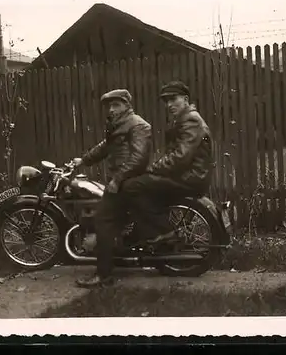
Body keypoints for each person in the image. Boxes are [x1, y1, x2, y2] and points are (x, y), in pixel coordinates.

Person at [73, 89, 152, 288]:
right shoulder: (119, 126)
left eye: (116, 104)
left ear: (127, 105)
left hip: (127, 181)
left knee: (102, 220)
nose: (112, 109)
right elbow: (105, 147)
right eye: (109, 106)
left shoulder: (137, 125)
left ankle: (104, 275)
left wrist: (117, 180)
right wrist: (83, 160)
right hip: (124, 180)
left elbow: (139, 158)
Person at [122, 81, 213, 244]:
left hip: (190, 178)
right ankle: (143, 234)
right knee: (143, 188)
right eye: (166, 101)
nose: (169, 104)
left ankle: (167, 231)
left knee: (131, 186)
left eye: (173, 99)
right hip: (189, 176)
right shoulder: (184, 119)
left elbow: (181, 156)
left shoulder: (191, 120)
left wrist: (154, 168)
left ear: (185, 99)